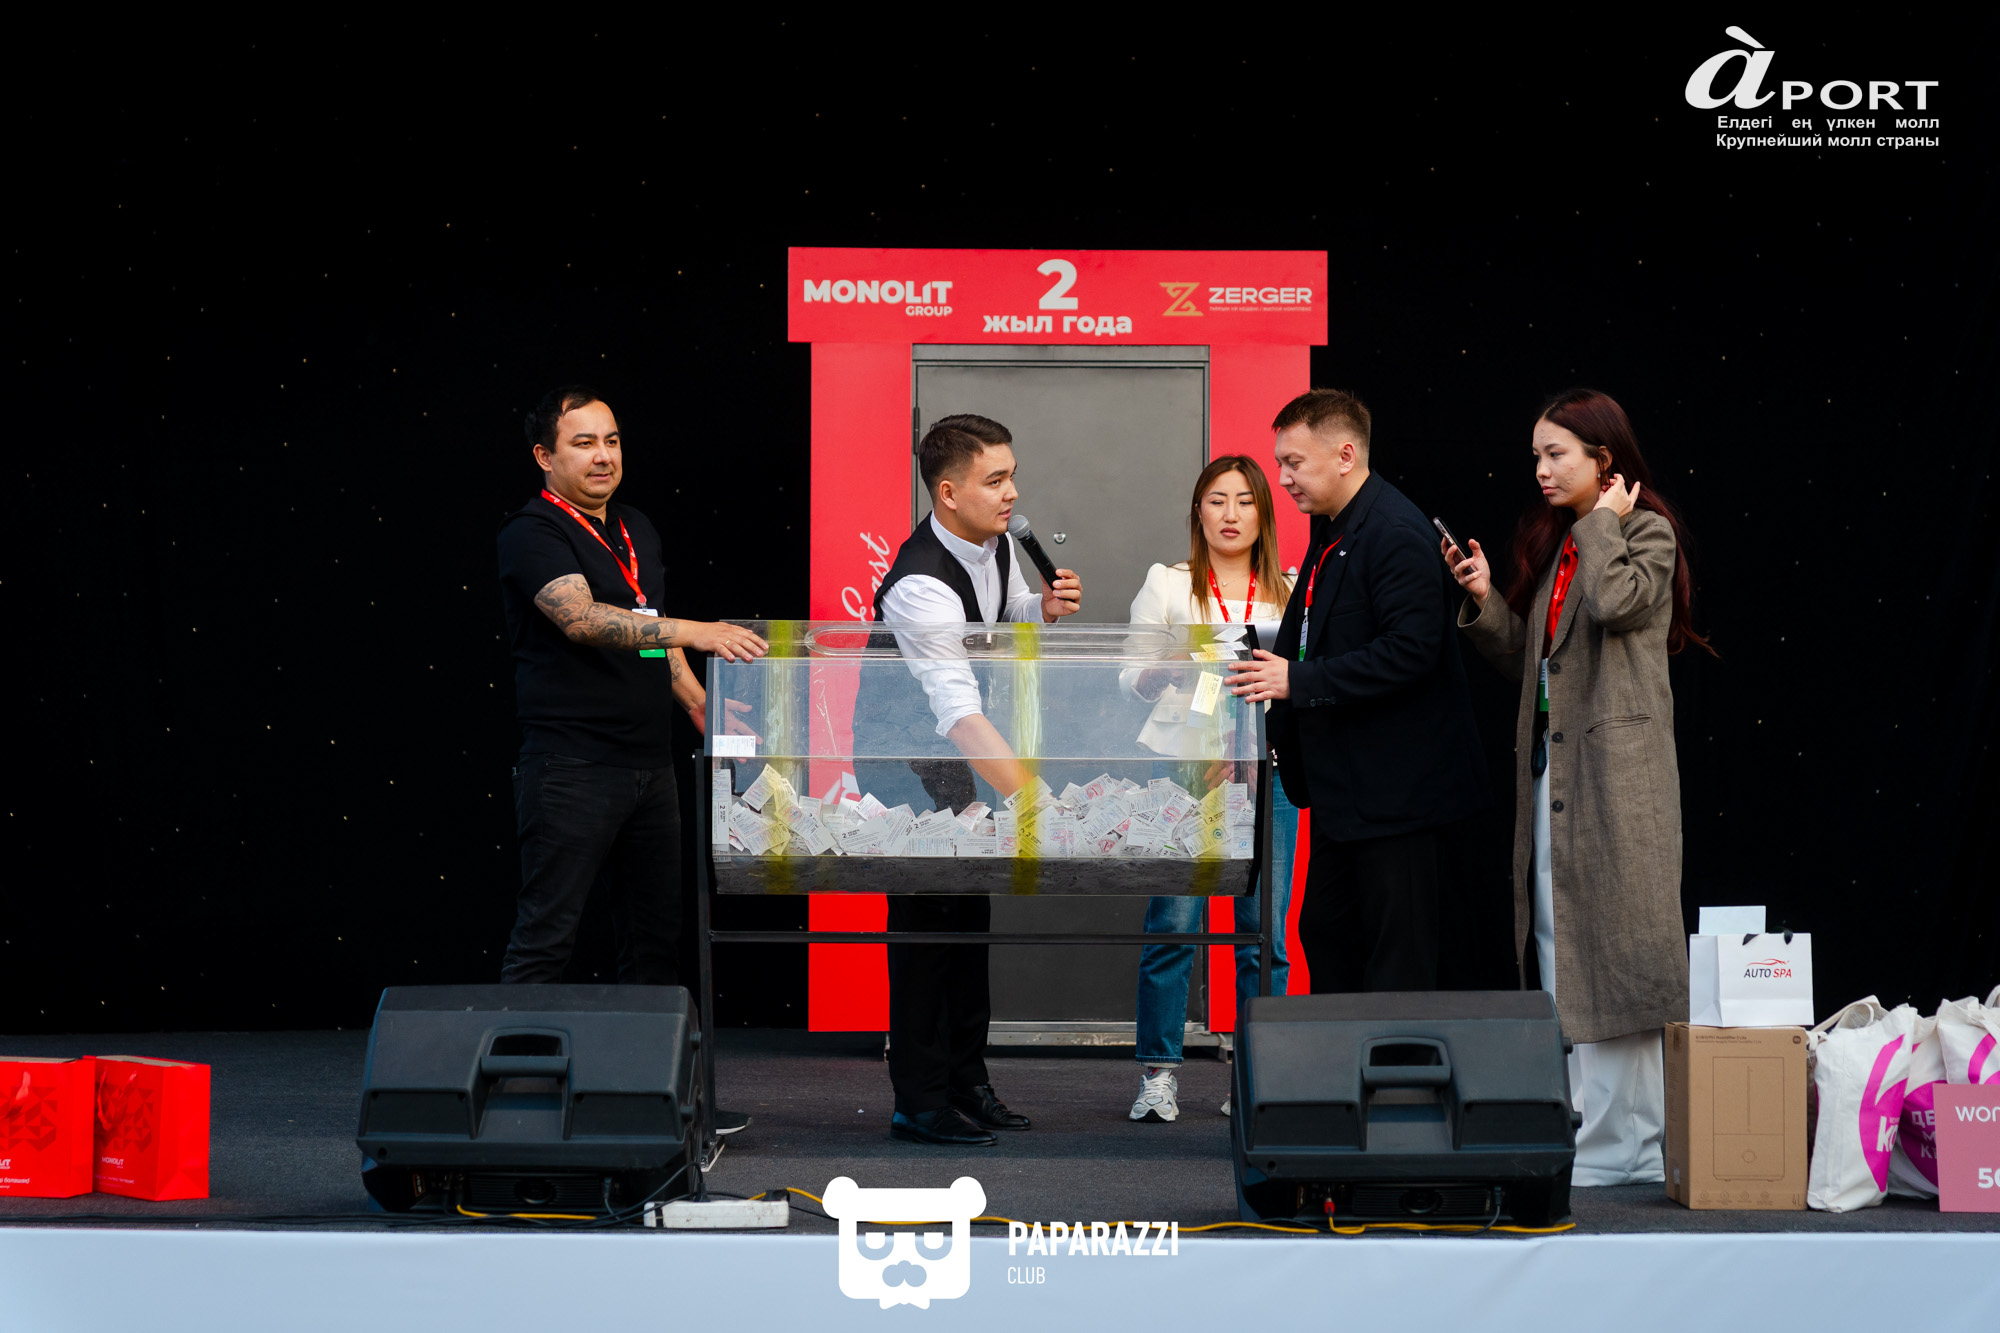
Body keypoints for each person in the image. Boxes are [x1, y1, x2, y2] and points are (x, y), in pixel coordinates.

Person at [1444, 387, 1709, 1186]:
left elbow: (1620, 603)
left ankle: (1629, 1145)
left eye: (1556, 453)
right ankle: (1595, 1130)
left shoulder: (1644, 531)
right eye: (1536, 454)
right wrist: (1485, 598)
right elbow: (1537, 662)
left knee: (1620, 949)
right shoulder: (1565, 543)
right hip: (1557, 773)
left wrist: (1603, 524)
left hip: (1618, 780)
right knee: (1563, 942)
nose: (1541, 468)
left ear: (1605, 459)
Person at [495, 384, 767, 1134]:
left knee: (652, 944)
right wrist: (697, 631)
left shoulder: (635, 526)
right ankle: (508, 1106)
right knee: (547, 936)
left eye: (611, 440)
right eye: (583, 442)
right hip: (571, 768)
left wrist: (697, 703)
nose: (603, 455)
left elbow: (647, 627)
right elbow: (583, 619)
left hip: (651, 769)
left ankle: (651, 1105)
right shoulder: (531, 532)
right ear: (544, 455)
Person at [854, 414, 1083, 1146]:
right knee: (926, 929)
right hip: (905, 762)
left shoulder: (996, 543)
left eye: (1013, 476)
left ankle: (966, 1081)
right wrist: (1036, 802)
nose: (1012, 492)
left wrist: (1040, 609)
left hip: (959, 758)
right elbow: (955, 710)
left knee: (969, 918)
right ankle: (919, 1101)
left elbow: (1001, 613)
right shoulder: (920, 584)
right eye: (995, 480)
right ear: (948, 492)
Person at [1226, 389, 1487, 993]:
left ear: (1345, 456)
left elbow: (1412, 650)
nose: (1282, 479)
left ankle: (1395, 1061)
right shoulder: (1332, 528)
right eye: (1280, 463)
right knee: (1327, 934)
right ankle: (1342, 1058)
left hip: (1399, 800)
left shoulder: (1394, 530)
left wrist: (1296, 680)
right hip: (1347, 797)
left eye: (1294, 462)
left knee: (1396, 962)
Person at [1123, 456, 1300, 1123]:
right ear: (1197, 511)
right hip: (1182, 767)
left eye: (1245, 501)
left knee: (1264, 930)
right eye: (1217, 500)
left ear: (1264, 514)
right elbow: (1128, 677)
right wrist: (1168, 665)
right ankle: (1158, 1072)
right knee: (1174, 922)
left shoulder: (1290, 589)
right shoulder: (1168, 583)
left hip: (1267, 769)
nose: (1231, 514)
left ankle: (1258, 1073)